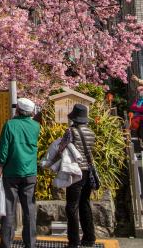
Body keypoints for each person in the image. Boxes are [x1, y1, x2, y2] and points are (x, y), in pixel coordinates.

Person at [0, 97, 40, 248]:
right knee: (29, 209)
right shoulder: (36, 126)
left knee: (9, 208)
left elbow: (4, 148)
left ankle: (6, 243)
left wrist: (0, 165)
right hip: (30, 172)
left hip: (11, 171)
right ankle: (30, 243)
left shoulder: (9, 125)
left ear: (18, 110)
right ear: (31, 112)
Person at [57, 103, 96, 248]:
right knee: (85, 203)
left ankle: (74, 242)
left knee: (71, 206)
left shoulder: (70, 132)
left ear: (74, 118)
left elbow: (61, 148)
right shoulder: (91, 132)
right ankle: (89, 238)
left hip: (75, 172)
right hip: (88, 172)